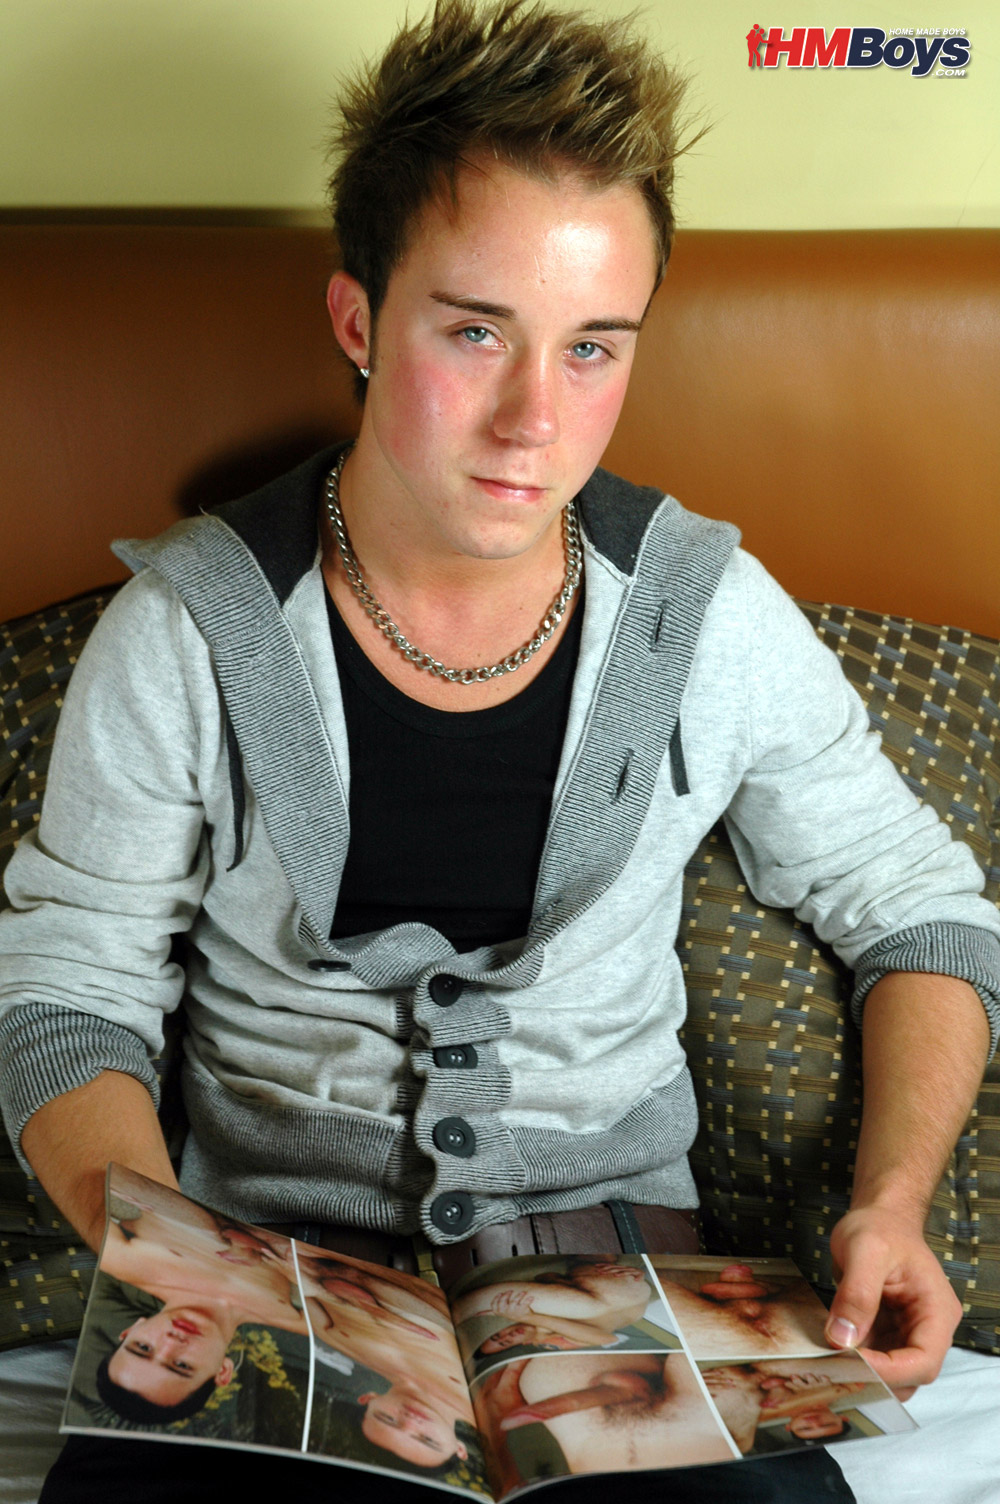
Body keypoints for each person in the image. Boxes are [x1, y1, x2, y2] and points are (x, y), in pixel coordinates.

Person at [0, 1, 998, 1500]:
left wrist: (893, 1203)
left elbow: (917, 908)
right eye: (475, 332)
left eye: (593, 348)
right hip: (266, 1279)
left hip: (634, 1296)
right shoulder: (184, 632)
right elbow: (67, 987)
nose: (537, 418)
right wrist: (180, 1272)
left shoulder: (709, 616)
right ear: (358, 322)